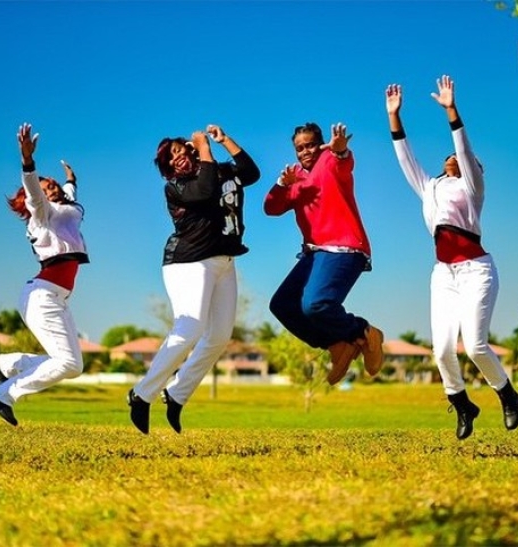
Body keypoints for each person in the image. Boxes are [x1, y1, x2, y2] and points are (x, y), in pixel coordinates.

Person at [386, 76, 518, 440]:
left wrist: (451, 111)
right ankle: (462, 403)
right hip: (443, 274)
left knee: (475, 344)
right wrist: (394, 116)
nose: (453, 158)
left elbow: (463, 150)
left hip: (477, 270)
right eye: (447, 156)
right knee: (442, 348)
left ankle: (507, 394)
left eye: (463, 159)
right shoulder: (430, 186)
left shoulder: (472, 188)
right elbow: (405, 157)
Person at [127, 125, 260, 434]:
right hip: (188, 263)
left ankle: (176, 394)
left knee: (218, 337)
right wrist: (204, 148)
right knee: (190, 328)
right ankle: (141, 395)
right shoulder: (176, 187)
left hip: (224, 262)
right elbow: (205, 191)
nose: (177, 160)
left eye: (179, 151)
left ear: (188, 149)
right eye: (169, 159)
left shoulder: (218, 170)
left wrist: (223, 140)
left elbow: (250, 173)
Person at [0, 124, 89, 426]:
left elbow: (67, 194)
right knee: (67, 362)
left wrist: (71, 179)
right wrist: (28, 162)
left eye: (53, 184)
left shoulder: (64, 207)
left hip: (55, 298)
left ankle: (8, 363)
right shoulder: (42, 216)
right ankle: (3, 394)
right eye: (47, 188)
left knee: (73, 365)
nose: (52, 188)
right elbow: (34, 192)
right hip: (42, 297)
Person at [264, 122, 383, 386]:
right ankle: (337, 344)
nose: (305, 151)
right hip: (315, 254)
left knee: (315, 304)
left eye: (309, 145)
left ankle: (364, 331)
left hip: (345, 247)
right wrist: (282, 183)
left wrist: (340, 150)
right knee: (282, 305)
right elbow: (271, 208)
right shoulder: (295, 177)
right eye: (299, 148)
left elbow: (343, 161)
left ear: (320, 145)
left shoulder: (329, 160)